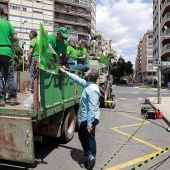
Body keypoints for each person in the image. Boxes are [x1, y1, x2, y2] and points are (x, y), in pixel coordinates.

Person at [59, 66, 100, 170]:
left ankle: (90, 158)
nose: (85, 73)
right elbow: (78, 79)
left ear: (90, 77)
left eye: (87, 72)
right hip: (87, 118)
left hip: (89, 119)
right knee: (83, 136)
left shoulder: (92, 89)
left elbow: (91, 108)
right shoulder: (89, 85)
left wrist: (90, 124)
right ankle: (90, 156)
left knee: (88, 137)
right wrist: (66, 72)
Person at [0, 7, 20, 107]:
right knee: (9, 76)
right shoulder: (7, 23)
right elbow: (15, 37)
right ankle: (13, 98)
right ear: (2, 14)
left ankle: (1, 99)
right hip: (7, 52)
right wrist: (9, 42)